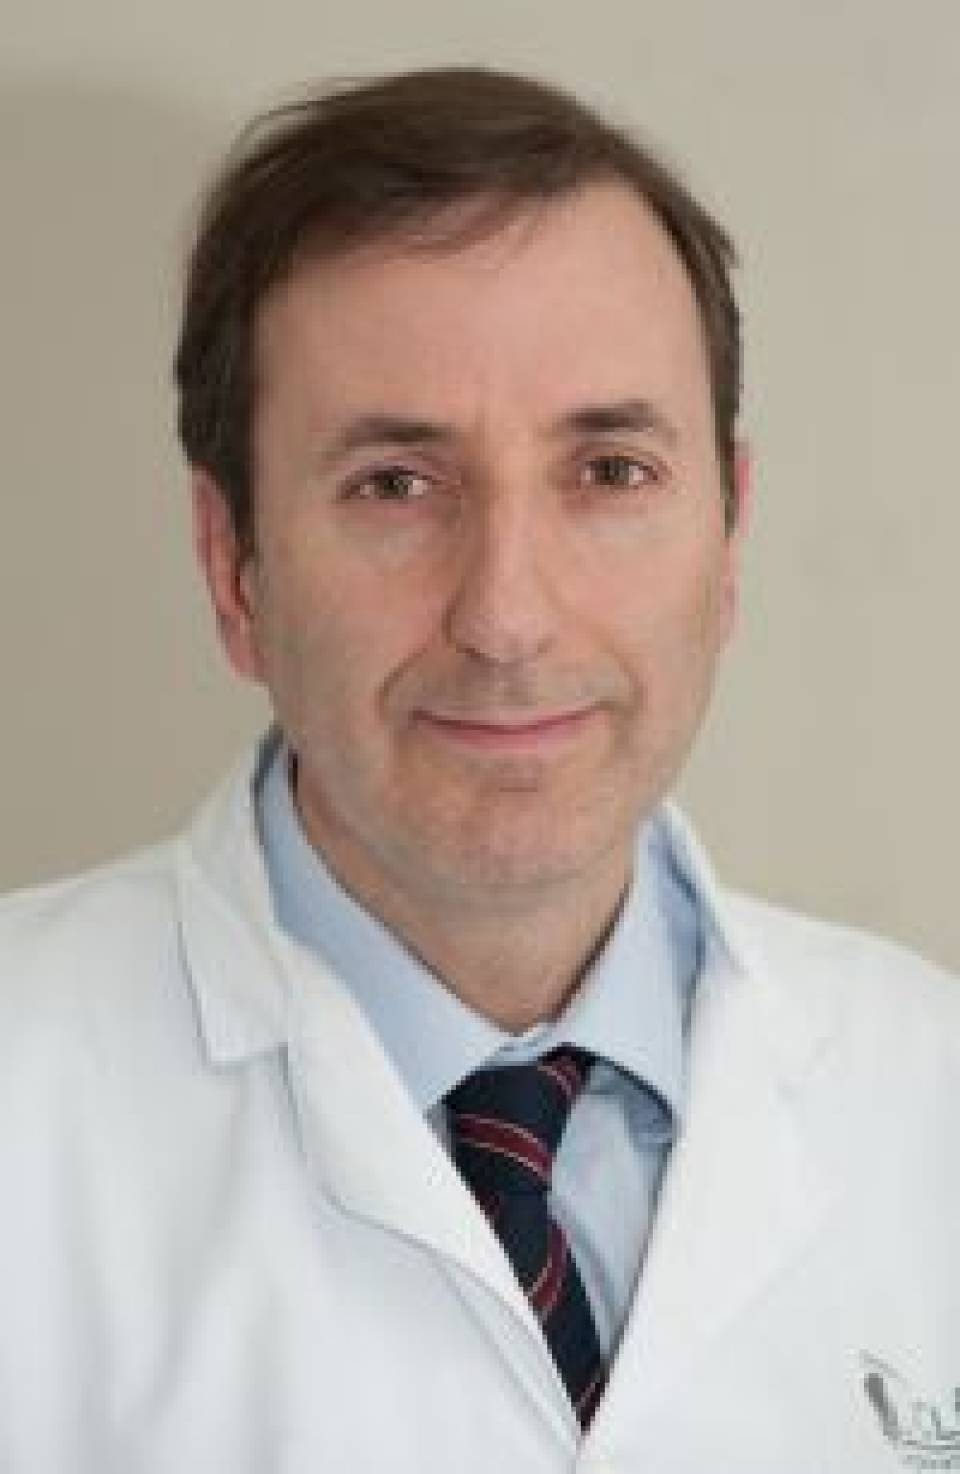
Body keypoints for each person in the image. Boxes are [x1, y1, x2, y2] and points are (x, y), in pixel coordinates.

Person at [0, 66, 957, 1474]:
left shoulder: (932, 1093)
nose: (507, 616)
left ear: (729, 540)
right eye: (396, 485)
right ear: (233, 567)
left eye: (610, 471)